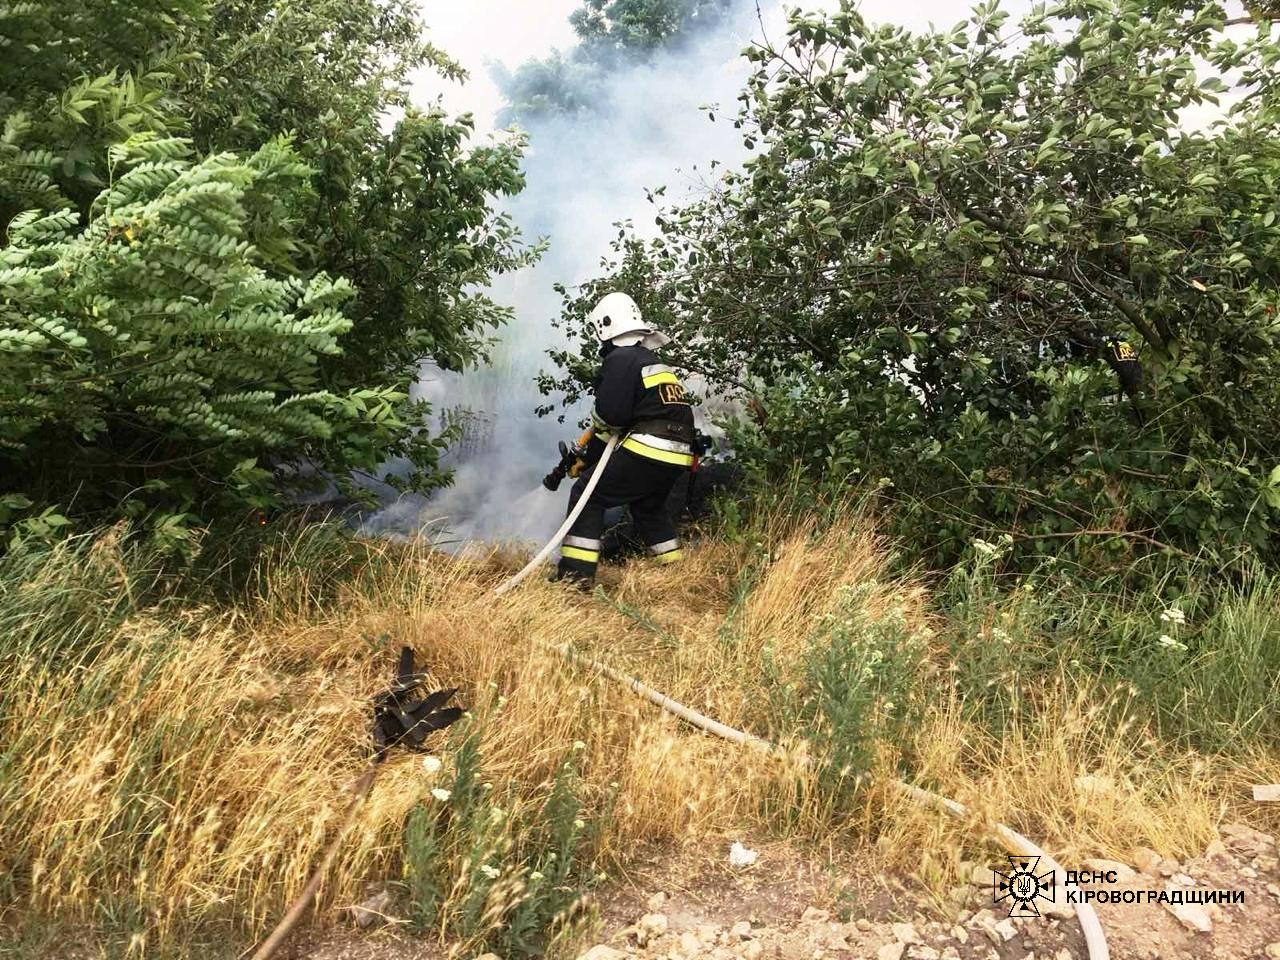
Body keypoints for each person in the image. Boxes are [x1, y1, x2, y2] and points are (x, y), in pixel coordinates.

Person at [556, 292, 696, 587]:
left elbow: (611, 417)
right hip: (678, 452)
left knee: (586, 495)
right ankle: (675, 573)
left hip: (650, 446)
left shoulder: (620, 358)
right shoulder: (651, 361)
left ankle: (574, 579)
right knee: (649, 509)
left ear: (604, 328)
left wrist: (585, 461)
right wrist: (588, 458)